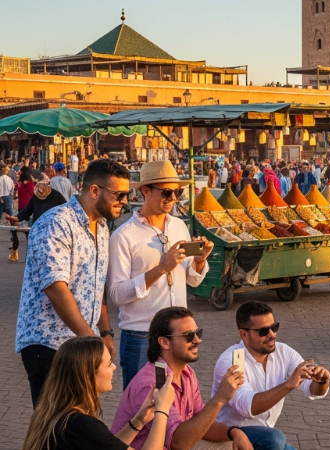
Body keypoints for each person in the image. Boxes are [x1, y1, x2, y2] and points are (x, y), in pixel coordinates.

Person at [15, 159, 130, 405]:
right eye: (119, 194)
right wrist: (91, 339)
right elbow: (56, 288)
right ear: (95, 190)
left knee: (78, 424)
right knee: (54, 429)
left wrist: (105, 333)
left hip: (80, 345)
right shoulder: (57, 222)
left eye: (126, 194)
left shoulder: (101, 226)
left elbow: (96, 287)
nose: (125, 201)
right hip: (49, 345)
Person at [108, 160, 213, 390]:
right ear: (146, 191)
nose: (173, 198)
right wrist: (161, 269)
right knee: (141, 409)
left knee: (175, 404)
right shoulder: (123, 236)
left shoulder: (178, 226)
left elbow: (191, 279)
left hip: (178, 336)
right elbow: (116, 294)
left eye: (177, 192)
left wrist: (199, 260)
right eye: (166, 192)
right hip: (141, 335)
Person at [112, 307, 252, 450]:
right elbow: (178, 443)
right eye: (189, 336)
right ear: (164, 342)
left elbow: (201, 422)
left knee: (233, 444)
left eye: (198, 333)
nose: (198, 340)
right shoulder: (151, 385)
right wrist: (220, 398)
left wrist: (233, 432)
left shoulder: (187, 372)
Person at [213, 302, 330, 450]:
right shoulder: (232, 361)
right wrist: (288, 385)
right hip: (231, 437)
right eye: (263, 331)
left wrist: (321, 382)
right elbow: (247, 407)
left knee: (275, 440)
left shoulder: (284, 352)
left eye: (274, 327)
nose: (272, 335)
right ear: (244, 334)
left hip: (266, 438)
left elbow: (311, 389)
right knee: (275, 438)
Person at [22, 336, 175, 450]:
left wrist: (139, 420)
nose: (114, 368)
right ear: (88, 374)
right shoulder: (81, 425)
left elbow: (107, 445)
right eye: (108, 364)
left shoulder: (58, 413)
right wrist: (162, 410)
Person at [7, 181, 67, 262]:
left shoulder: (56, 195)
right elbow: (27, 211)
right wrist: (15, 218)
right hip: (37, 231)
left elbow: (66, 210)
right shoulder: (36, 196)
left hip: (52, 232)